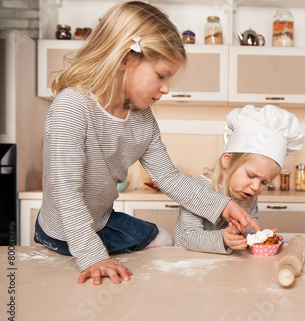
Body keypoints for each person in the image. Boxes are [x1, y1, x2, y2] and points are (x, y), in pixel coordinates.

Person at [34, 1, 259, 286]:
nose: (166, 88)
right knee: (135, 254)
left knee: (163, 239)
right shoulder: (71, 108)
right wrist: (93, 257)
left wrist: (223, 205)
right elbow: (67, 195)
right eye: (161, 76)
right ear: (126, 59)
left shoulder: (142, 119)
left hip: (101, 221)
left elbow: (168, 177)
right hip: (62, 229)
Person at [175, 104, 304, 254]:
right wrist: (222, 239)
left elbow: (248, 228)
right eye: (251, 175)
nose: (256, 187)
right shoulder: (197, 188)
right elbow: (187, 237)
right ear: (227, 160)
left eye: (264, 182)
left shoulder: (247, 194)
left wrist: (261, 238)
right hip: (188, 262)